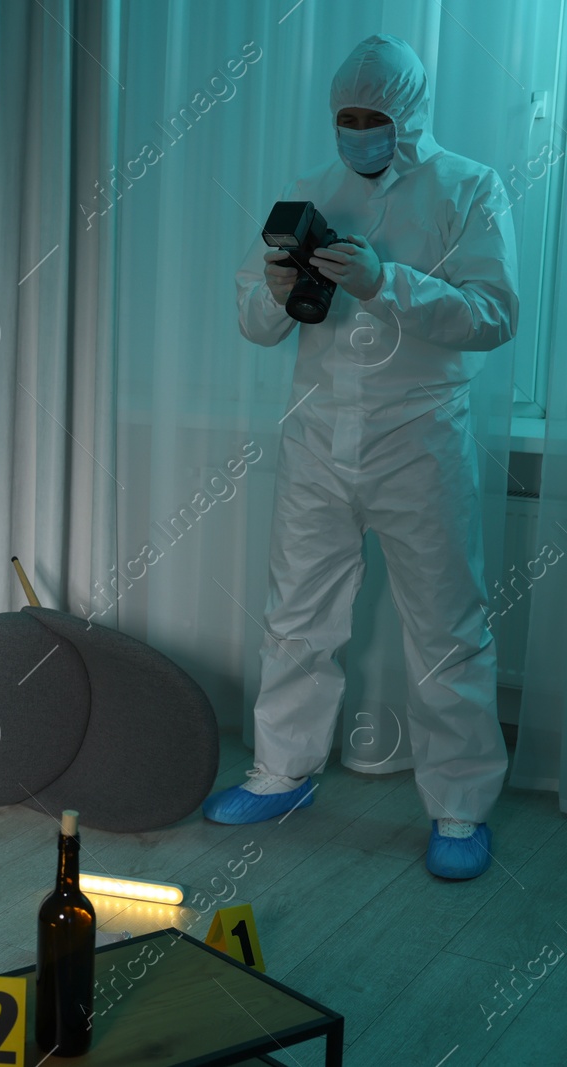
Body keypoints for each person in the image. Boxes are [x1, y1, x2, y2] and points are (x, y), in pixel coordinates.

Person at [211, 35, 519, 880]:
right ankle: (282, 771)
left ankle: (459, 808)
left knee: (446, 628)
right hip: (318, 434)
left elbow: (496, 315)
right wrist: (272, 294)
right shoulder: (310, 191)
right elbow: (252, 314)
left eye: (373, 117)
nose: (358, 131)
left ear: (407, 114)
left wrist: (390, 282)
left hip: (421, 438)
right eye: (346, 117)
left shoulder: (470, 188)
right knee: (297, 613)